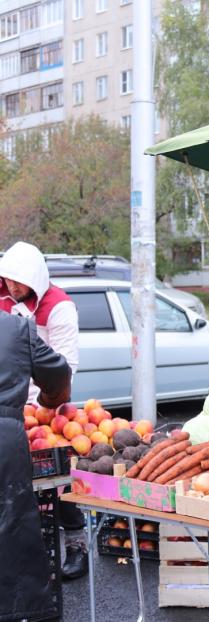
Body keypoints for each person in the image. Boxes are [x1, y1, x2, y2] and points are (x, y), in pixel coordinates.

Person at [0, 241, 88, 580]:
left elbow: (66, 364)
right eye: (7, 280)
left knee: (59, 475)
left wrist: (40, 405)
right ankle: (29, 548)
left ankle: (76, 543)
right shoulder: (4, 299)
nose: (12, 287)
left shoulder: (59, 306)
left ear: (36, 279)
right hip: (10, 403)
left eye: (18, 282)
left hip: (48, 404)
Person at [0, 311, 73, 621]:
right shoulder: (15, 328)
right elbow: (58, 374)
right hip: (4, 439)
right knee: (11, 523)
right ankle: (19, 609)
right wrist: (49, 398)